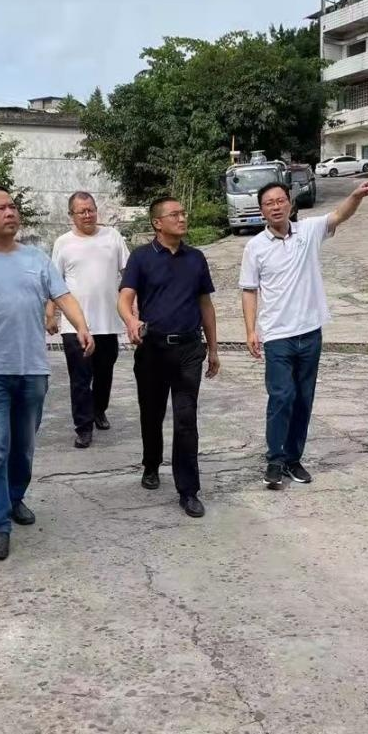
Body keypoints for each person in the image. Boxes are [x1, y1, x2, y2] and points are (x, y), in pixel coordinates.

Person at [0, 186, 94, 561]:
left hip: (32, 370)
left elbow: (63, 296)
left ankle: (14, 498)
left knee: (24, 445)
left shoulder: (36, 259)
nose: (10, 212)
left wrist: (81, 325)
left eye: (13, 206)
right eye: (1, 208)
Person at [239, 179, 368, 490]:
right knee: (281, 396)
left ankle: (293, 458)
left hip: (310, 332)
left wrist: (356, 196)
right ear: (261, 211)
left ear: (290, 204)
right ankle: (275, 460)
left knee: (303, 398)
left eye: (280, 200)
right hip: (277, 335)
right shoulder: (255, 247)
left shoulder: (309, 231)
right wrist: (250, 330)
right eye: (269, 203)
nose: (275, 207)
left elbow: (339, 215)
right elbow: (249, 290)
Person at [117, 197, 220, 518]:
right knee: (152, 413)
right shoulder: (141, 257)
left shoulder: (196, 258)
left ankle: (188, 490)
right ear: (157, 223)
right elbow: (124, 298)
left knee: (186, 420)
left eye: (183, 213)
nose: (182, 218)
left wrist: (213, 348)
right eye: (175, 214)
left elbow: (205, 305)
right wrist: (131, 321)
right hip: (153, 349)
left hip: (189, 349)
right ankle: (151, 464)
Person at [45, 192, 130, 449]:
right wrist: (50, 313)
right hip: (74, 325)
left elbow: (128, 274)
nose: (87, 215)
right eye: (81, 211)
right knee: (80, 379)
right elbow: (54, 282)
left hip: (108, 322)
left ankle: (98, 409)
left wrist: (133, 309)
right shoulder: (63, 243)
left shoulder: (112, 237)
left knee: (104, 374)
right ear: (71, 215)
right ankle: (83, 427)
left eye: (91, 209)